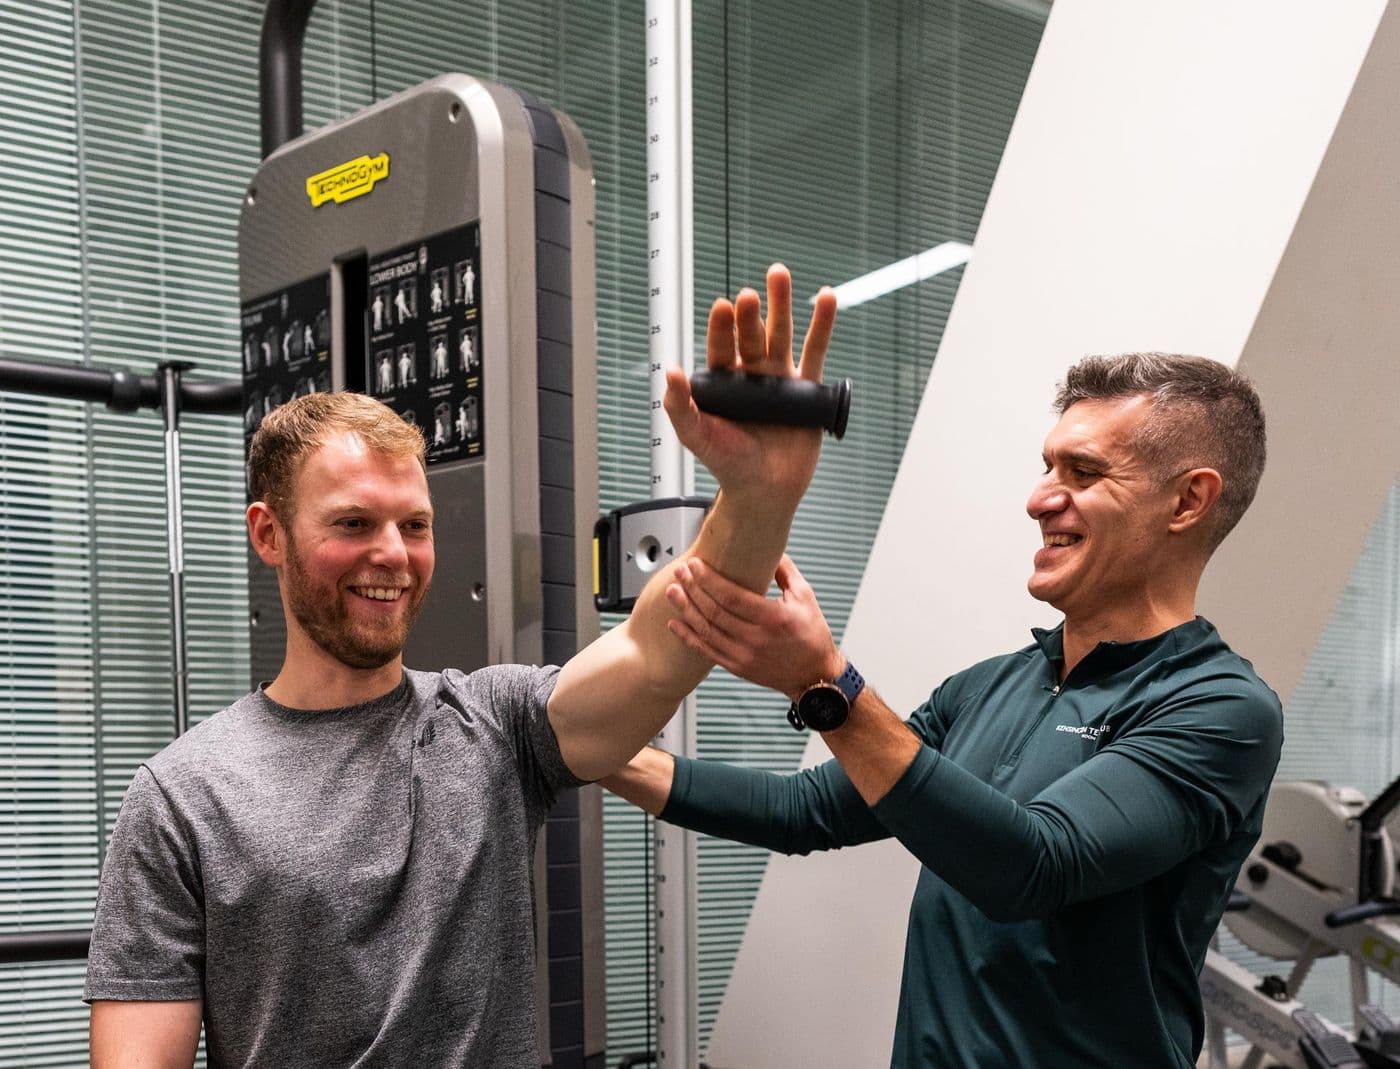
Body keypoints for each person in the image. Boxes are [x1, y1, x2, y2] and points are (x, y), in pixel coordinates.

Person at [84, 264, 837, 1068]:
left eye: (414, 524)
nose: (393, 554)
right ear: (268, 534)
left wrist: (759, 499)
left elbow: (659, 651)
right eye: (353, 522)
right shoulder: (180, 797)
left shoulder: (494, 724)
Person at [604, 353, 1283, 1069]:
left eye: (1083, 473)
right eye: (1047, 468)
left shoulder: (1220, 708)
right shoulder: (987, 687)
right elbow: (804, 810)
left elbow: (1033, 865)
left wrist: (823, 682)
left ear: (1187, 501)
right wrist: (584, 744)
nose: (1039, 500)